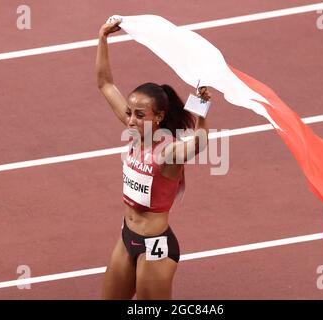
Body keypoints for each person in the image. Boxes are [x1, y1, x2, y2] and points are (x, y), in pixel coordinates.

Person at [96, 18, 211, 300]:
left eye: (139, 114)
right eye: (129, 113)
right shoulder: (136, 135)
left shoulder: (168, 152)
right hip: (127, 239)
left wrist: (202, 108)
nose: (130, 119)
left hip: (155, 247)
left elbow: (199, 143)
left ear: (158, 117)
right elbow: (106, 83)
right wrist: (103, 38)